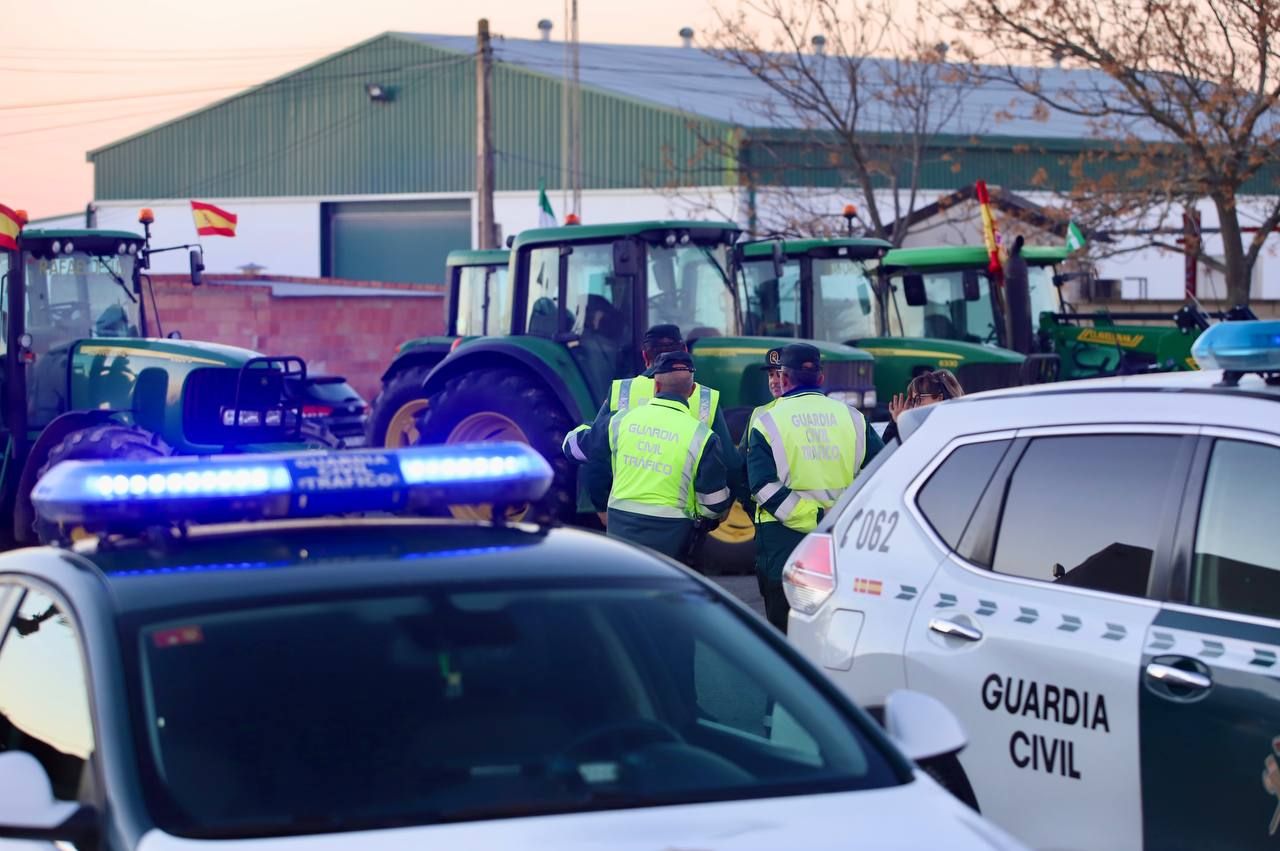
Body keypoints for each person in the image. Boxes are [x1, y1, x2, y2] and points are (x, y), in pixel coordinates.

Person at [747, 343, 883, 632]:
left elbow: (762, 487)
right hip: (841, 541)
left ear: (784, 379)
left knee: (786, 642)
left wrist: (813, 517)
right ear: (821, 379)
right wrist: (840, 518)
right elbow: (882, 475)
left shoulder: (767, 422)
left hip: (783, 543)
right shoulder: (855, 419)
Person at [568, 324, 743, 519]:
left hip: (623, 516)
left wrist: (601, 506)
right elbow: (732, 465)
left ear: (645, 356)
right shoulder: (704, 399)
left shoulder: (621, 393)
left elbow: (595, 456)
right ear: (684, 351)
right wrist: (719, 512)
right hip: (680, 522)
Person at [604, 351, 732, 558]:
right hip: (673, 533)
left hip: (621, 524)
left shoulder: (619, 421)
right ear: (691, 391)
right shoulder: (703, 436)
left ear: (655, 386)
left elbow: (576, 449)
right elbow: (713, 504)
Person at [883, 369, 964, 444]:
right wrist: (897, 423)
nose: (915, 406)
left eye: (919, 399)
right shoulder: (921, 427)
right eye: (913, 401)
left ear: (940, 398)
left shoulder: (950, 429)